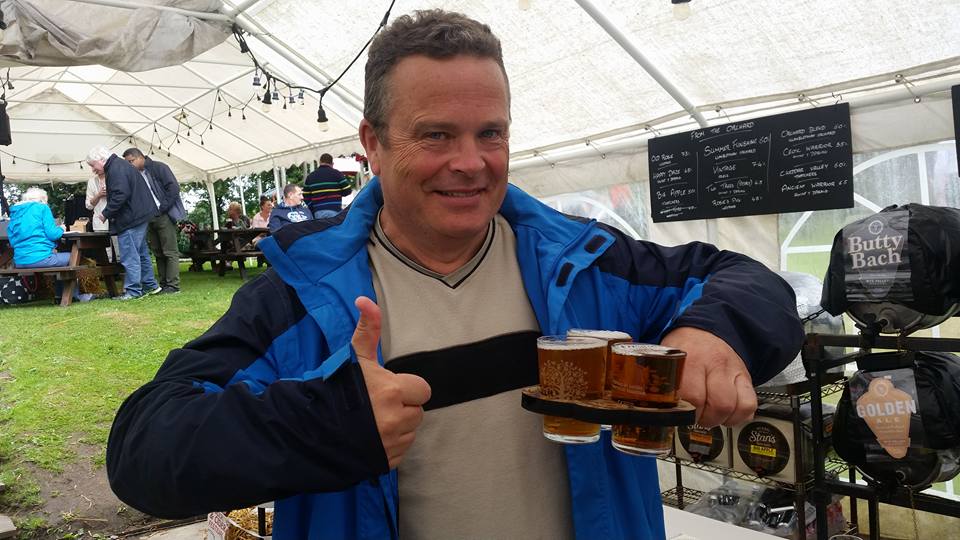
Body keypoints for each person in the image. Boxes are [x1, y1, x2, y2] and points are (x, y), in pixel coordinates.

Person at [105, 10, 803, 540]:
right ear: (372, 145)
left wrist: (712, 333)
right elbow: (145, 449)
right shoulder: (302, 297)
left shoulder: (583, 263)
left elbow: (745, 280)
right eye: (437, 135)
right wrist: (326, 423)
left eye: (490, 133)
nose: (470, 162)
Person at [87, 146, 161, 300]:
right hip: (140, 214)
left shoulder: (115, 169)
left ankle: (133, 291)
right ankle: (150, 285)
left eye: (93, 165)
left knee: (129, 254)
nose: (93, 169)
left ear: (101, 160)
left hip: (131, 218)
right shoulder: (120, 165)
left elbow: (121, 194)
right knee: (140, 253)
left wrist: (105, 213)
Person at [8, 187, 94, 302]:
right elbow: (53, 234)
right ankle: (75, 296)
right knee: (72, 257)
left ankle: (59, 295)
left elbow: (12, 241)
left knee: (58, 259)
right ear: (43, 199)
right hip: (40, 258)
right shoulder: (42, 208)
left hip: (20, 261)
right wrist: (61, 229)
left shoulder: (16, 213)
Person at [123, 148, 185, 294]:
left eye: (131, 161)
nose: (130, 165)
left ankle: (173, 285)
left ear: (140, 157)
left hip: (163, 214)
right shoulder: (135, 175)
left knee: (170, 251)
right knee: (157, 252)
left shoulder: (159, 167)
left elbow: (174, 188)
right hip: (147, 217)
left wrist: (163, 207)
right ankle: (164, 284)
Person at [303, 153, 352, 219]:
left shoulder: (310, 176)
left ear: (320, 162)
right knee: (334, 229)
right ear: (332, 163)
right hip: (335, 210)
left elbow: (305, 196)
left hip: (318, 212)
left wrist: (313, 208)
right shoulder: (337, 174)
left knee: (322, 229)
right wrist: (336, 193)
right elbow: (348, 190)